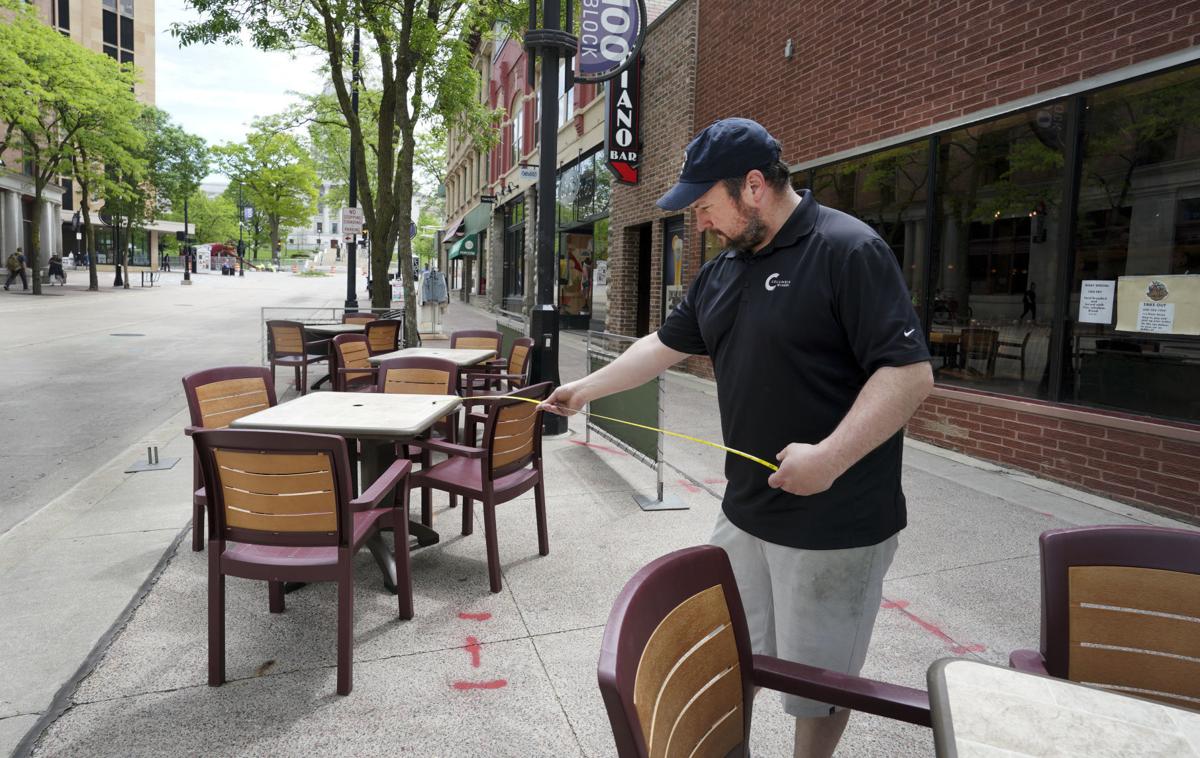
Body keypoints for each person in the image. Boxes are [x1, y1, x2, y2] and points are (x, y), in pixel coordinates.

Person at [541, 118, 933, 758]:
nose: (697, 222)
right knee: (730, 659)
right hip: (745, 512)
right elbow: (660, 346)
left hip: (836, 521)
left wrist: (829, 459)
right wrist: (584, 391)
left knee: (817, 684)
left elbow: (909, 375)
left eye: (705, 206)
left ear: (753, 187)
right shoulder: (723, 270)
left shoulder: (848, 250)